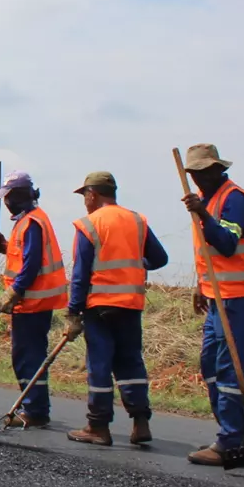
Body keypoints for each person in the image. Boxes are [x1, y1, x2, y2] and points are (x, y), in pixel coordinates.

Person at [61, 171, 168, 447]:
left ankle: (98, 426)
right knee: (130, 362)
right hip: (131, 306)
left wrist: (73, 312)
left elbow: (81, 273)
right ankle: (141, 422)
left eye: (84, 195)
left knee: (100, 365)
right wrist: (135, 263)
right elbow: (159, 258)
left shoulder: (89, 224)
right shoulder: (137, 220)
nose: (84, 201)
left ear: (92, 194)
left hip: (100, 307)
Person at [179, 145, 244, 467]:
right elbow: (207, 251)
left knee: (229, 366)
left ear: (218, 169)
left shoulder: (234, 199)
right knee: (210, 365)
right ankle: (233, 432)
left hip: (239, 295)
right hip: (217, 294)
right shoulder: (210, 199)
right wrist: (201, 287)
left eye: (204, 172)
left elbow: (227, 245)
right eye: (194, 174)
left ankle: (230, 440)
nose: (199, 178)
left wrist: (201, 212)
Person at [0, 171, 68, 428]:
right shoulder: (28, 221)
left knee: (28, 356)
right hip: (31, 302)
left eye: (8, 197)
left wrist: (15, 291)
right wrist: (4, 246)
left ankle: (35, 410)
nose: (6, 202)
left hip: (32, 302)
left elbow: (31, 264)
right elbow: (23, 254)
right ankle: (33, 406)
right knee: (27, 355)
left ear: (18, 197)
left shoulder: (33, 222)